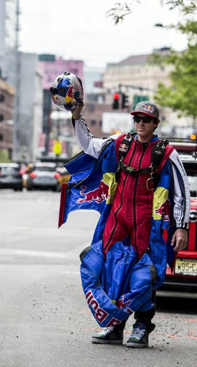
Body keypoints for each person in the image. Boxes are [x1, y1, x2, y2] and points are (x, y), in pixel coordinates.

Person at [67, 100, 190, 348]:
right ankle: (114, 326)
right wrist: (77, 116)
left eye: (146, 119)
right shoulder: (119, 143)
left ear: (156, 123)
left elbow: (181, 191)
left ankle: (142, 328)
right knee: (112, 271)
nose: (141, 123)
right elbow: (90, 145)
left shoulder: (167, 153)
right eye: (137, 119)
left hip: (148, 223)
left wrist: (181, 226)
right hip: (117, 220)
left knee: (145, 275)